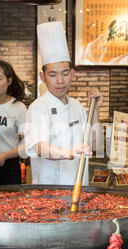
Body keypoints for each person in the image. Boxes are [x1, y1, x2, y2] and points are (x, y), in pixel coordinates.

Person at [25, 21, 104, 185]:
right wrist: (68, 152)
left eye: (65, 73)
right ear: (43, 77)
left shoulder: (77, 106)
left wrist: (94, 111)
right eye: (53, 74)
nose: (60, 80)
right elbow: (38, 146)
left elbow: (95, 145)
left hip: (79, 186)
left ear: (72, 74)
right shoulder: (38, 108)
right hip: (49, 189)